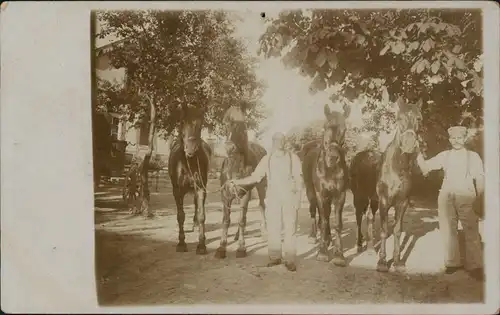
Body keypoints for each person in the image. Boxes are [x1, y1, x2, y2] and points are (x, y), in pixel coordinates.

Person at [226, 132, 303, 272]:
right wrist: (236, 181)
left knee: (289, 229)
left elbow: (299, 181)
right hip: (273, 198)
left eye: (280, 140)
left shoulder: (294, 159)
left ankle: (290, 260)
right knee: (273, 228)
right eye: (275, 141)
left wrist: (298, 200)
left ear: (284, 142)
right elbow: (255, 177)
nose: (278, 143)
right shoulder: (267, 159)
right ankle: (275, 258)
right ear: (273, 142)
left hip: (289, 198)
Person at [416, 126, 484, 281]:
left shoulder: (473, 156)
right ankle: (452, 262)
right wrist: (417, 153)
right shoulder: (444, 155)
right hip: (446, 194)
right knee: (447, 228)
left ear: (465, 138)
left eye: (459, 138)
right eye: (453, 138)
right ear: (449, 139)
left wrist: (480, 197)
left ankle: (475, 265)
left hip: (466, 194)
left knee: (471, 228)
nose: (456, 141)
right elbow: (426, 167)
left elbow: (480, 178)